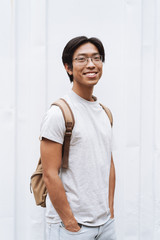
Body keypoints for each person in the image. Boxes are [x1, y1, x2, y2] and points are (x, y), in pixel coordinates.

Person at [40, 36, 117, 240]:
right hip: (73, 228)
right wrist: (70, 223)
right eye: (82, 59)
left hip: (105, 224)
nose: (91, 64)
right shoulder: (59, 113)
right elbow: (49, 174)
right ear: (68, 67)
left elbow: (108, 162)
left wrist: (110, 211)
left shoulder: (104, 112)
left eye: (96, 58)